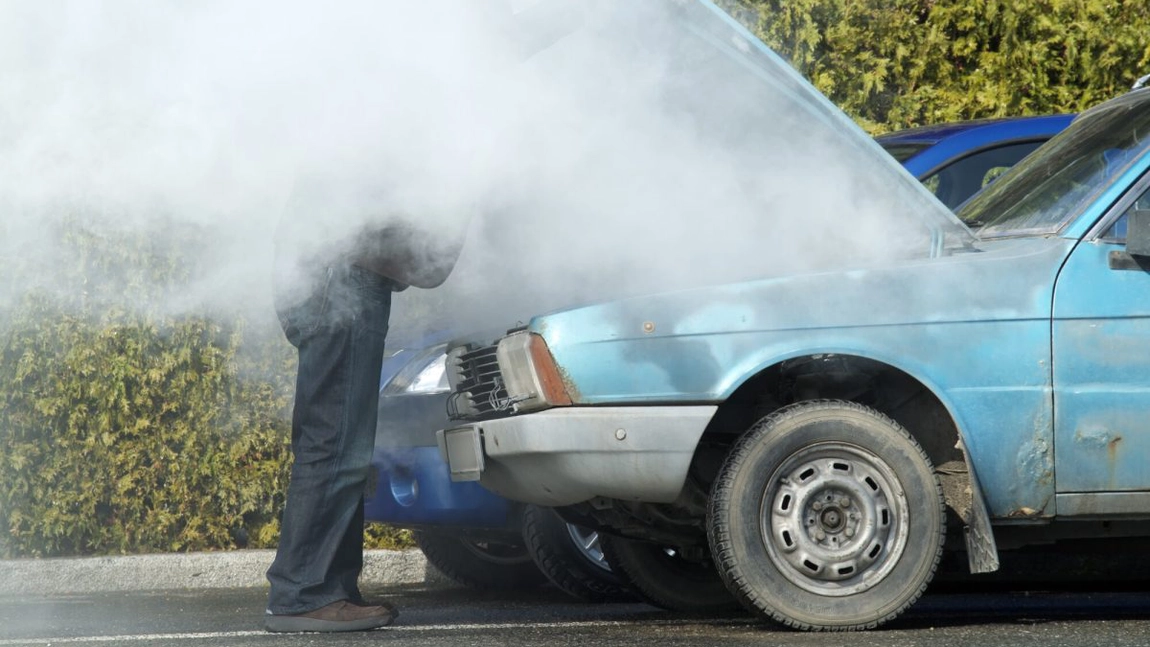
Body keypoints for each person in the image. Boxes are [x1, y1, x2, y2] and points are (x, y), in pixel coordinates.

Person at [264, 178, 463, 633]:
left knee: (338, 440)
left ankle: (329, 588)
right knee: (335, 442)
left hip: (329, 272)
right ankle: (302, 594)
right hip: (340, 278)